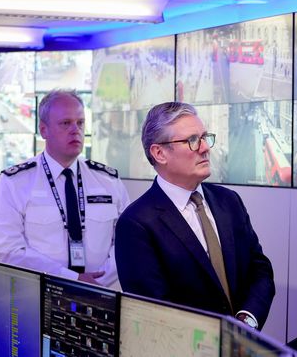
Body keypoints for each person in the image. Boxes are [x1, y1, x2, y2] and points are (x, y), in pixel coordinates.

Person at [115, 102, 275, 329]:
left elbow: (260, 271)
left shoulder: (229, 202)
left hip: (244, 350)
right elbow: (155, 312)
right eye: (192, 140)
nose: (204, 148)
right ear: (159, 153)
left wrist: (246, 321)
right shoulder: (136, 224)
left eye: (204, 137)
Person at [0, 90, 129, 289]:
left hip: (100, 293)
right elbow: (9, 250)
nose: (75, 130)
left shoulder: (108, 180)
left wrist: (98, 281)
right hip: (40, 294)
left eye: (80, 123)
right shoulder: (15, 182)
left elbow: (127, 240)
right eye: (66, 123)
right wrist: (70, 279)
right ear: (43, 130)